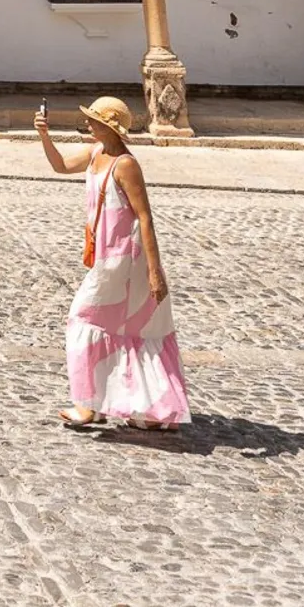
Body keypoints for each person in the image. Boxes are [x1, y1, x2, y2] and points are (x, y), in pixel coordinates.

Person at [34, 94, 191, 434]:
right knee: (131, 331)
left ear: (109, 126)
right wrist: (44, 135)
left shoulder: (125, 164)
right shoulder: (95, 154)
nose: (87, 124)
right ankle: (149, 409)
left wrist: (154, 271)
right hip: (106, 258)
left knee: (82, 320)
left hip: (125, 262)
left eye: (93, 119)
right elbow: (60, 166)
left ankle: (88, 406)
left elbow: (145, 218)